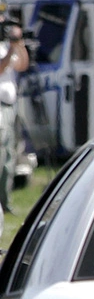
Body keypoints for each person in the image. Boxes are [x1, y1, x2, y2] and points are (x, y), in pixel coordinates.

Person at [0, 14, 29, 218]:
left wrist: (20, 44)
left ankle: (6, 199)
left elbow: (22, 65)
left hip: (11, 105)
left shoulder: (5, 46)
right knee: (1, 154)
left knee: (10, 154)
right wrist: (11, 48)